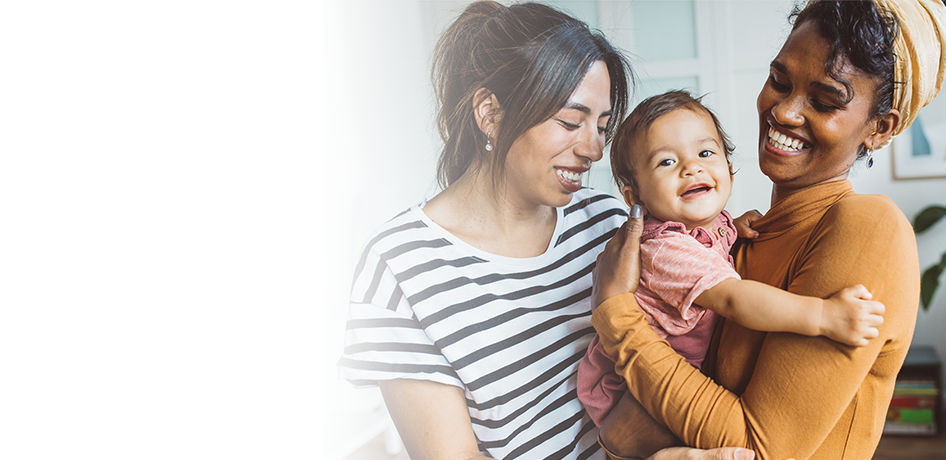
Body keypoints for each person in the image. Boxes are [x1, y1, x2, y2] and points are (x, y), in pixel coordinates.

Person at [336, 1, 758, 459]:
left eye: (601, 126)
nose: (595, 150)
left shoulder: (609, 224)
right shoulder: (402, 264)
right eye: (570, 122)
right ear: (490, 113)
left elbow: (691, 296)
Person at [590, 0, 946, 459]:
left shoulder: (868, 227)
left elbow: (762, 447)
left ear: (879, 128)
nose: (785, 112)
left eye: (823, 101)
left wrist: (617, 317)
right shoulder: (736, 237)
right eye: (779, 81)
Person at [576, 90, 884, 428]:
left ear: (730, 170)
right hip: (630, 392)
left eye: (705, 153)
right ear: (636, 197)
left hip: (679, 372)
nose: (691, 167)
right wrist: (823, 315)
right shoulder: (665, 249)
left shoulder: (713, 225)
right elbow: (735, 300)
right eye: (666, 162)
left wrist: (732, 229)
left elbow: (708, 251)